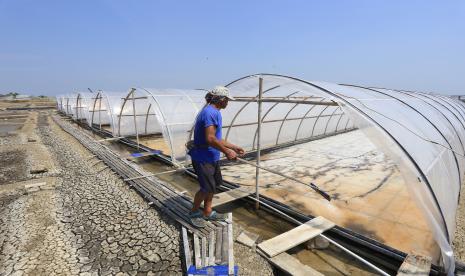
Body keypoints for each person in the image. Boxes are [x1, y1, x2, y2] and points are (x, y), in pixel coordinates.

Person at [188, 86, 244, 227]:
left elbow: (217, 138)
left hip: (212, 157)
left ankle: (207, 211)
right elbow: (210, 139)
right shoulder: (210, 113)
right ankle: (194, 212)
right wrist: (227, 152)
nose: (228, 103)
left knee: (213, 186)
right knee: (206, 188)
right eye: (227, 100)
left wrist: (233, 147)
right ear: (222, 99)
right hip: (203, 158)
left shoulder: (214, 112)